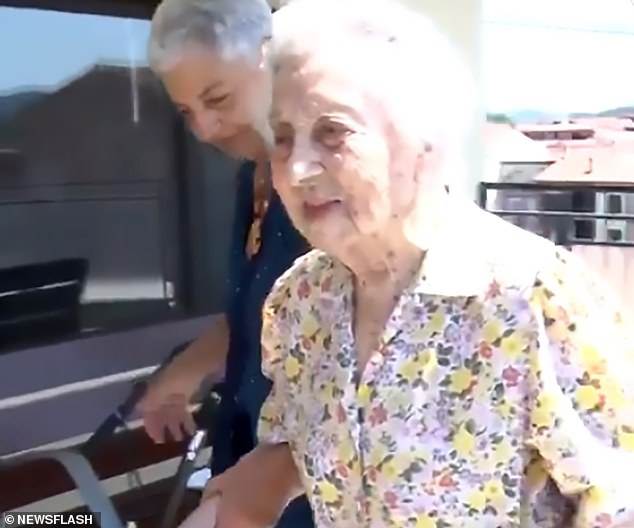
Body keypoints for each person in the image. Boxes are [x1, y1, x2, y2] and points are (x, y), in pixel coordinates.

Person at [250, 0, 634, 526]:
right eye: (281, 138)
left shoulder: (531, 296)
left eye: (332, 132)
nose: (297, 169)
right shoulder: (298, 301)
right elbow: (292, 452)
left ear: (423, 139)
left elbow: (618, 499)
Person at [142, 1, 313, 526]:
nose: (204, 129)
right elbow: (260, 312)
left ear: (270, 59)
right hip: (245, 450)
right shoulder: (251, 179)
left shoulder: (324, 186)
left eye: (216, 99)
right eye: (186, 111)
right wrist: (183, 373)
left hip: (311, 478)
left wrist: (281, 472)